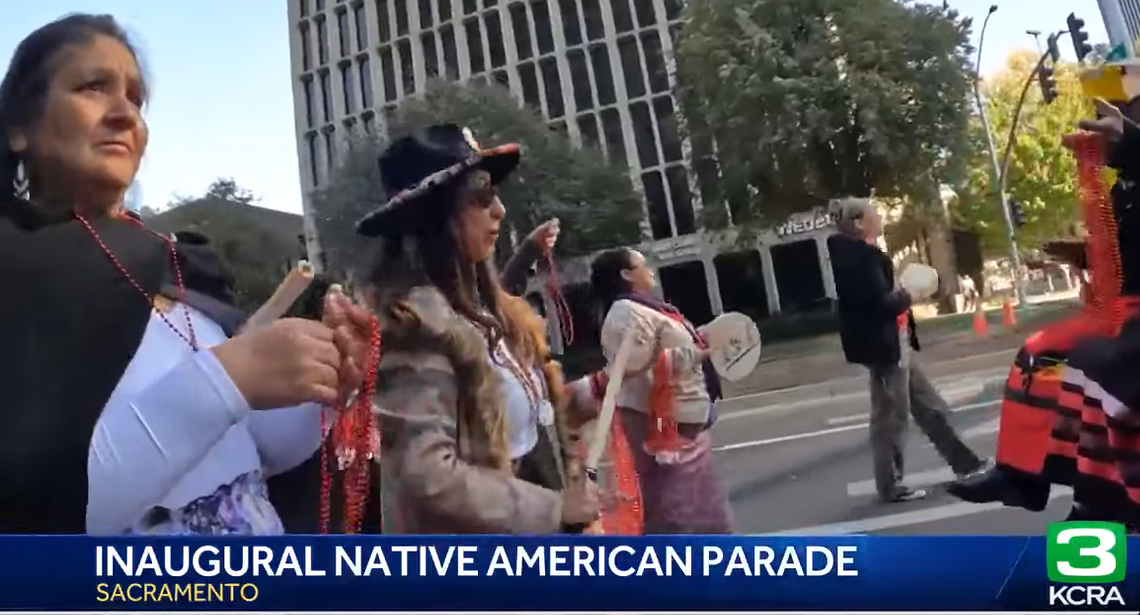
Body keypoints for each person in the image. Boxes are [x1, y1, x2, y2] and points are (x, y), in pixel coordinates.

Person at [0, 13, 371, 534]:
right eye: (93, 86)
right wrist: (229, 378)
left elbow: (257, 455)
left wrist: (322, 381)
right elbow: (34, 508)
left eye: (135, 99)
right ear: (20, 127)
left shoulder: (177, 267)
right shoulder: (12, 278)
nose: (125, 115)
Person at [355, 124, 601, 533]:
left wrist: (608, 383)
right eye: (481, 195)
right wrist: (552, 510)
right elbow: (427, 474)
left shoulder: (494, 315)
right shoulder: (413, 326)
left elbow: (533, 421)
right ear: (437, 216)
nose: (499, 210)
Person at [948, 97, 1140, 528]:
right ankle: (1020, 475)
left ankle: (1099, 506)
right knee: (1040, 356)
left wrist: (1133, 141)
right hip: (1123, 307)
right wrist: (1085, 256)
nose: (1101, 142)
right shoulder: (1124, 186)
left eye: (1112, 131)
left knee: (1091, 367)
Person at [826, 199, 989, 504]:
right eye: (875, 213)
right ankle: (891, 486)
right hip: (885, 347)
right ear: (860, 222)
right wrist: (910, 293)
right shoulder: (859, 258)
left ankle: (966, 463)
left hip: (894, 342)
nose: (880, 217)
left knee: (928, 406)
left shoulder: (857, 255)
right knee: (891, 417)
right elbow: (880, 305)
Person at [589, 247, 733, 534]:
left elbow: (664, 349)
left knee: (700, 513)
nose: (650, 269)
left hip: (682, 422)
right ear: (627, 274)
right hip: (660, 425)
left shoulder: (643, 308)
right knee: (674, 514)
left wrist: (703, 336)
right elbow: (636, 366)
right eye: (643, 264)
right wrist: (699, 353)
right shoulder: (624, 314)